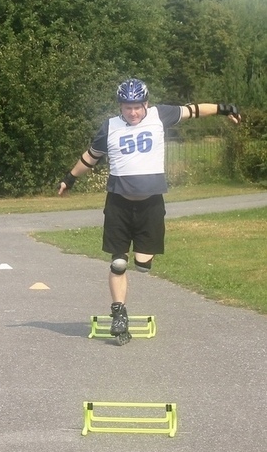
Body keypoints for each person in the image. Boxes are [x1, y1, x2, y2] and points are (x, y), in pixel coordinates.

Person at [58, 79, 240, 341]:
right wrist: (70, 178)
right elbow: (90, 157)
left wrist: (225, 109)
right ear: (120, 106)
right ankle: (118, 312)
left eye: (137, 107)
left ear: (146, 104)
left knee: (143, 264)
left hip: (151, 204)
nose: (132, 113)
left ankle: (141, 263)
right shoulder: (110, 126)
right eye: (127, 107)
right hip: (118, 202)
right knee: (119, 262)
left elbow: (194, 110)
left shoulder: (159, 115)